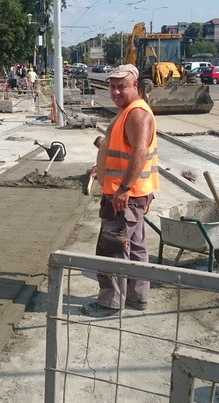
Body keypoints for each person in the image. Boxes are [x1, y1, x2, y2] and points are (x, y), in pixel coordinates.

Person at [82, 64, 158, 316]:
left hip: (125, 196)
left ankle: (110, 302)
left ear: (135, 85)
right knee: (135, 247)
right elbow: (122, 150)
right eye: (112, 87)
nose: (116, 92)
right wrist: (103, 165)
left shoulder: (137, 114)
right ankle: (138, 296)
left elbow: (139, 153)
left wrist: (123, 189)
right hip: (132, 193)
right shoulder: (128, 111)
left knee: (112, 248)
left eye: (122, 87)